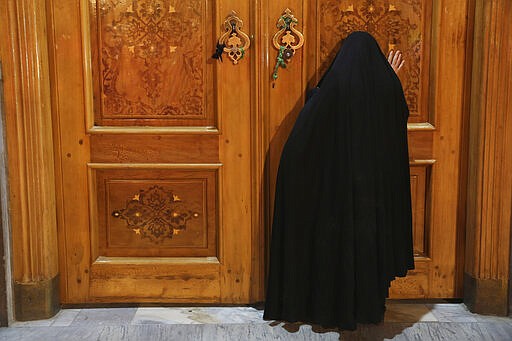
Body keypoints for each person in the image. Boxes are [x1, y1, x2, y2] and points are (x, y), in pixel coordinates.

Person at [264, 31, 414, 331]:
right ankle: (366, 310)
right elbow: (394, 125)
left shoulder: (332, 88)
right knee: (365, 249)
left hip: (332, 201)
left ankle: (323, 311)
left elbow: (304, 137)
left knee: (332, 249)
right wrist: (391, 80)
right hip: (371, 200)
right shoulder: (385, 90)